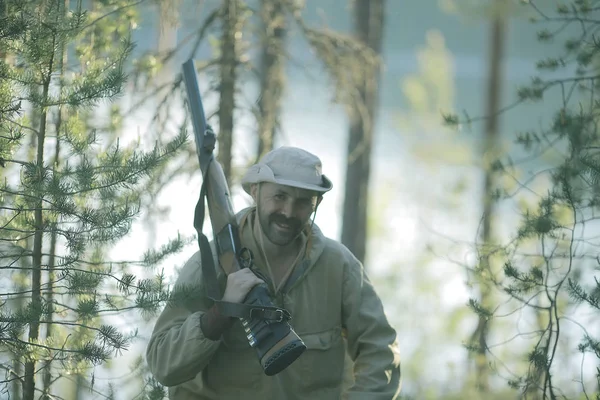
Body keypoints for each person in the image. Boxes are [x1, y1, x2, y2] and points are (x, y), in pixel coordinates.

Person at [146, 146, 401, 400]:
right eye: (279, 196)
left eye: (302, 202)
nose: (288, 212)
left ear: (317, 203)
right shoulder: (209, 265)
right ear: (255, 192)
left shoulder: (340, 266)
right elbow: (163, 366)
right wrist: (220, 313)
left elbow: (381, 351)